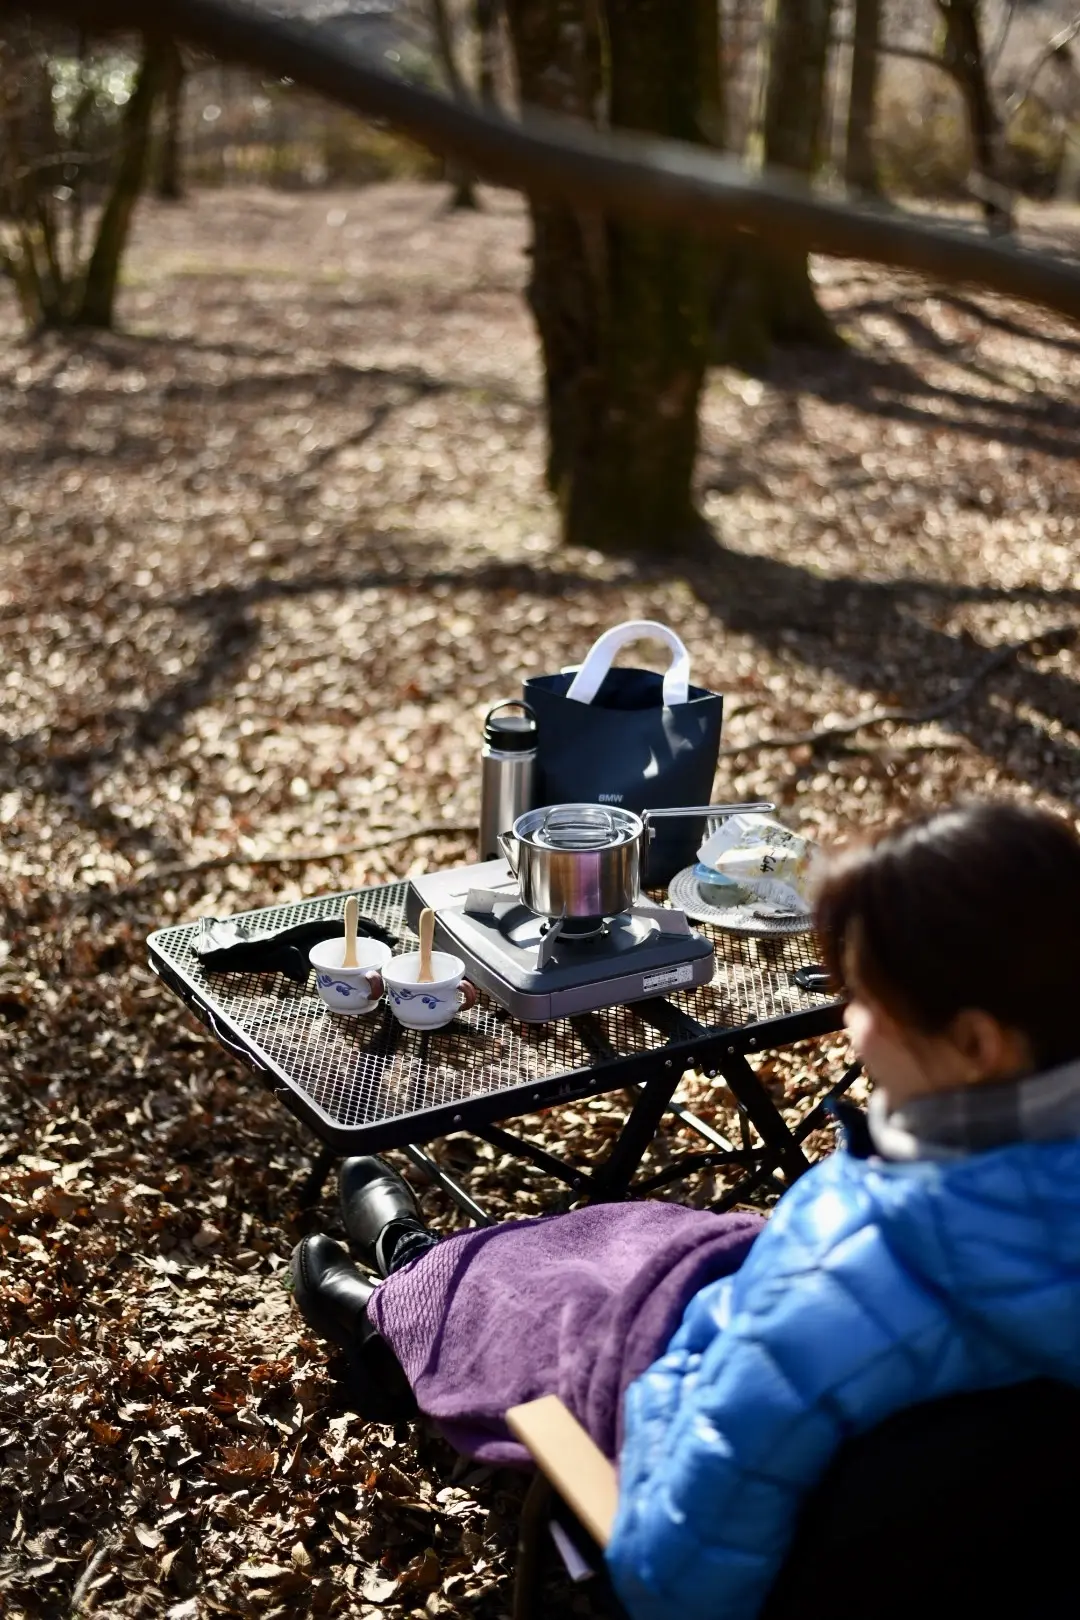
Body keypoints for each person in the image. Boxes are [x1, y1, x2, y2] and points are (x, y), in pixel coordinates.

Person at [292, 800, 1080, 1620]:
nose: (849, 1020)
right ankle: (419, 1275)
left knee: (533, 1302)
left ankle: (395, 1307)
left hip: (724, 1394)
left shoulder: (825, 1306)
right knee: (634, 1233)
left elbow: (673, 1578)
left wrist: (666, 1395)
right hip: (847, 1345)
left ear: (980, 1044)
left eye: (869, 998)